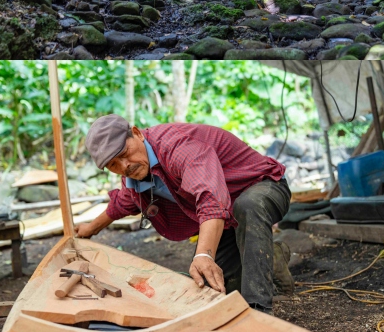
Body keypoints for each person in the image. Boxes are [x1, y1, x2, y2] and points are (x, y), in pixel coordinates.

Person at [75, 114, 292, 314]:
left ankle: (259, 309)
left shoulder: (176, 147)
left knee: (247, 206)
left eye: (124, 154)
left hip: (265, 187)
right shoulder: (134, 175)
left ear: (137, 133)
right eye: (113, 164)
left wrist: (204, 255)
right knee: (212, 286)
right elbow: (123, 203)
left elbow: (211, 198)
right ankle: (269, 256)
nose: (125, 166)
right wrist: (90, 229)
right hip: (227, 220)